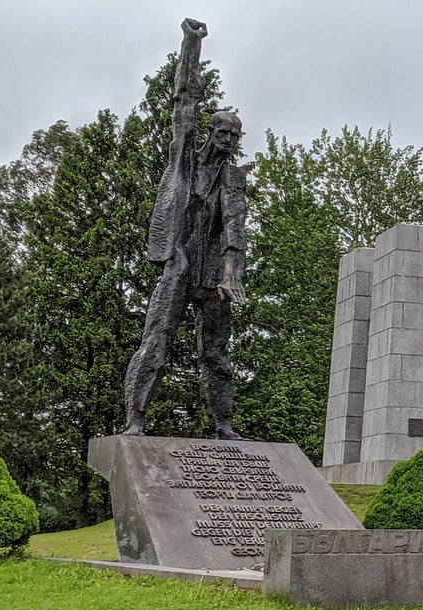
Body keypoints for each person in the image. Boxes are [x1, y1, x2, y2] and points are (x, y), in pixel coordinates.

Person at [124, 18, 247, 440]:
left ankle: (224, 424)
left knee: (217, 353)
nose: (230, 139)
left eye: (236, 135)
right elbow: (184, 102)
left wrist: (231, 277)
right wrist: (190, 47)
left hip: (211, 275)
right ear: (211, 133)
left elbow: (235, 229)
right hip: (179, 263)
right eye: (224, 132)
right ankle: (135, 419)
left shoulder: (234, 179)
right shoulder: (185, 160)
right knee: (156, 343)